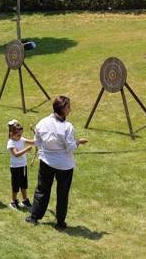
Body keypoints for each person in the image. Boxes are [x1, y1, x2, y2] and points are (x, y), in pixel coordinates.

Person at [25, 95, 87, 229]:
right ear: (62, 109)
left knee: (42, 189)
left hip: (46, 162)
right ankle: (60, 223)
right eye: (68, 107)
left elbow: (38, 141)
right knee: (62, 193)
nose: (70, 110)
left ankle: (34, 217)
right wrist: (78, 142)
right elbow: (70, 147)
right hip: (64, 166)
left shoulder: (42, 122)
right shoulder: (67, 127)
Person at [7, 119, 34, 210]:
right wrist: (26, 149)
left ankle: (25, 200)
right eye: (18, 135)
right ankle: (13, 201)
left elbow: (32, 142)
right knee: (15, 185)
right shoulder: (11, 142)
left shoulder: (21, 139)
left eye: (21, 134)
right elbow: (16, 154)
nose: (20, 136)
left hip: (23, 166)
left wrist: (38, 137)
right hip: (15, 167)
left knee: (23, 183)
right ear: (12, 134)